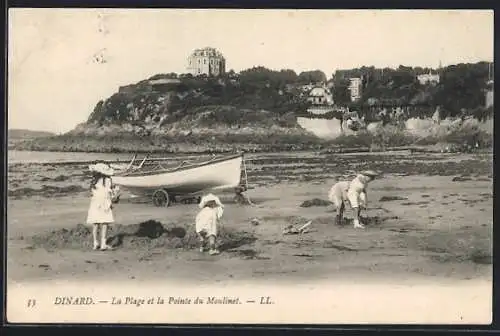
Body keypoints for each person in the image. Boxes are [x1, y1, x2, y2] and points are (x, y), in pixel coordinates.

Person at [87, 162, 117, 251]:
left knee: (95, 224)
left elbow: (92, 193)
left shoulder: (94, 181)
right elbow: (110, 194)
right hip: (105, 203)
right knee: (104, 223)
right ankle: (103, 243)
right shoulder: (108, 181)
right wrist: (115, 196)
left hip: (95, 204)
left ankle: (95, 243)